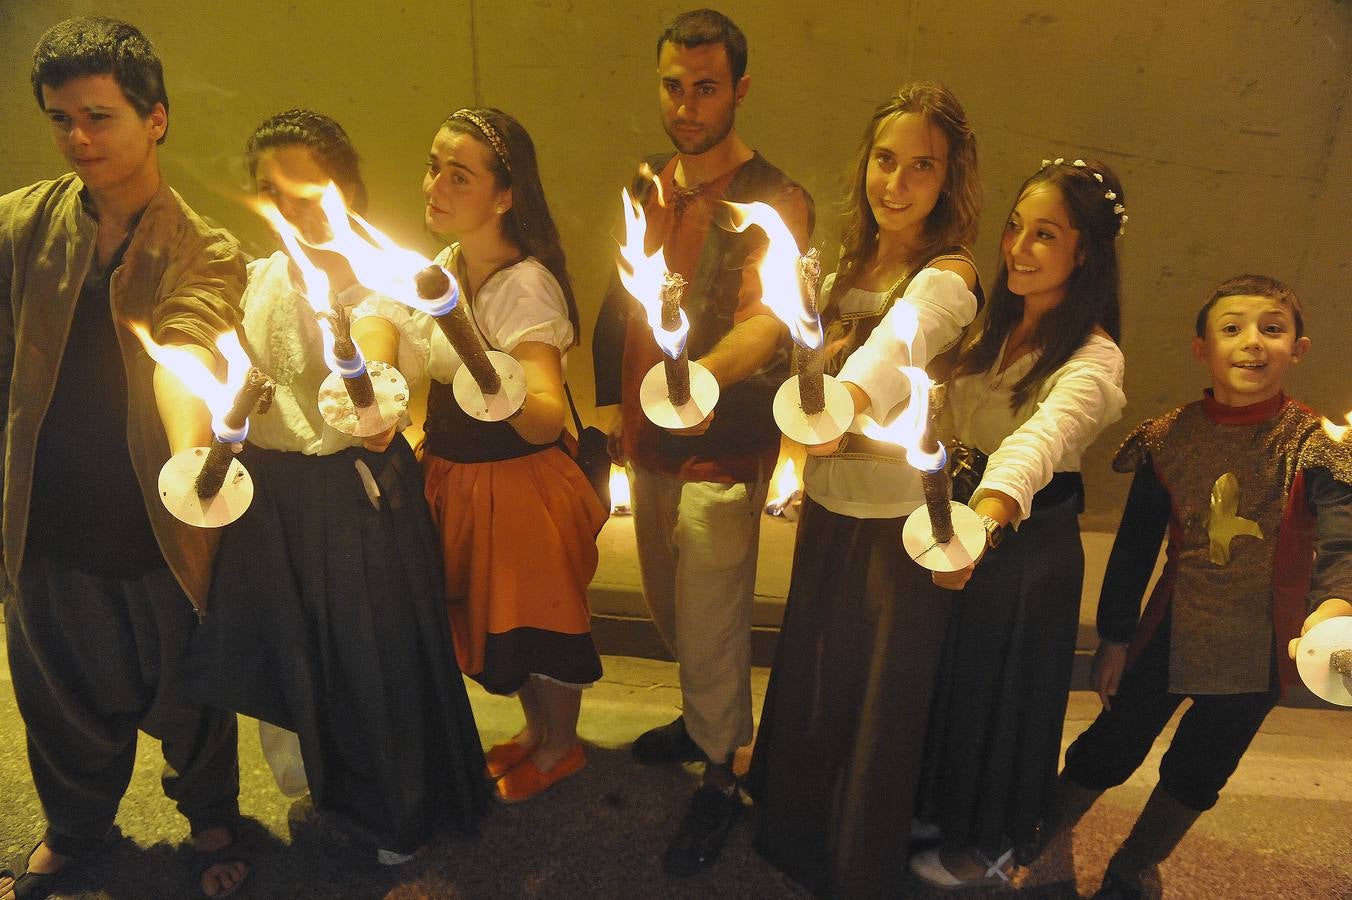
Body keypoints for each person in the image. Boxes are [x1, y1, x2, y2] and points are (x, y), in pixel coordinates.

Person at [180, 109, 490, 864]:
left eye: (301, 189)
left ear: (343, 188)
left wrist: (373, 394)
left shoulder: (385, 284)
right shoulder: (256, 279)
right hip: (272, 498)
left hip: (355, 494)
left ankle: (399, 817)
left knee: (372, 663)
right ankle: (333, 794)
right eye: (268, 192)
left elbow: (378, 380)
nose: (286, 208)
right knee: (295, 658)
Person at [0, 17, 248, 900]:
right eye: (60, 118)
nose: (77, 138)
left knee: (190, 692)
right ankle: (75, 825)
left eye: (98, 116)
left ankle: (213, 813)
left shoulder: (207, 251)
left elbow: (189, 346)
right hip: (45, 509)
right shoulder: (23, 225)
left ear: (157, 119)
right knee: (57, 687)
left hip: (155, 519)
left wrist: (190, 456)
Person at [744, 83, 982, 899]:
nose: (897, 181)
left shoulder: (948, 274)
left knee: (880, 692)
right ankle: (793, 832)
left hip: (899, 517)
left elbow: (899, 344)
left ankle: (853, 861)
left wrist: (843, 401)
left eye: (923, 166)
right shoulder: (850, 259)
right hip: (831, 503)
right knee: (817, 673)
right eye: (886, 159)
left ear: (950, 181)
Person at [1042, 275, 1352, 900]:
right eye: (1231, 328)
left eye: (1272, 328)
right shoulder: (1167, 437)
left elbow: (1342, 548)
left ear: (1299, 348)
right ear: (1201, 349)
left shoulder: (1317, 444)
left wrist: (1334, 610)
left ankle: (1136, 864)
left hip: (1262, 646)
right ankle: (1048, 832)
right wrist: (1114, 639)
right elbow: (1134, 549)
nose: (1251, 342)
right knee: (1113, 741)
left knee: (1201, 766)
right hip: (1169, 630)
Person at [590, 8, 813, 875]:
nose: (686, 105)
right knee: (665, 598)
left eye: (706, 88)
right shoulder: (649, 181)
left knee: (712, 613)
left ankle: (721, 771)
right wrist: (616, 408)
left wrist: (703, 379)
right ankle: (699, 719)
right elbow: (624, 302)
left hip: (726, 441)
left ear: (740, 90)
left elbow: (769, 323)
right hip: (647, 437)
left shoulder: (775, 199)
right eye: (673, 87)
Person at [908, 158, 1129, 889]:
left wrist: (988, 516)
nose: (1018, 249)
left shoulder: (1094, 359)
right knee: (949, 675)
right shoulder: (987, 325)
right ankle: (941, 805)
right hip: (962, 526)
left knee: (1000, 693)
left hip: (1024, 544)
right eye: (1014, 228)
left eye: (1045, 235)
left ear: (1085, 252)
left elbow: (1035, 448)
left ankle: (991, 842)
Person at [419, 107, 608, 804]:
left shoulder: (523, 286)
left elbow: (546, 416)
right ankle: (537, 735)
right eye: (434, 165)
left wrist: (495, 377)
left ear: (504, 196)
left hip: (518, 488)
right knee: (500, 625)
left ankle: (563, 747)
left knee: (540, 622)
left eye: (458, 174)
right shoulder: (447, 268)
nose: (435, 184)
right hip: (465, 482)